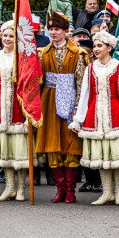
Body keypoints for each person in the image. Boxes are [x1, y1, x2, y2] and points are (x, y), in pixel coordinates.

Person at [68, 30, 119, 205]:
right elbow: (85, 95)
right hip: (95, 116)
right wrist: (79, 119)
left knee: (117, 157)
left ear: (109, 48)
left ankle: (118, 193)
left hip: (115, 115)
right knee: (102, 156)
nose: (95, 49)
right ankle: (107, 192)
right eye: (94, 46)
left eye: (99, 46)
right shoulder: (90, 68)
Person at [35, 11, 88, 203]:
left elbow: (82, 82)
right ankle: (60, 189)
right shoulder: (43, 53)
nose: (53, 32)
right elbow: (37, 81)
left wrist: (77, 107)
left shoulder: (78, 53)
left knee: (70, 143)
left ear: (66, 32)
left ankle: (71, 189)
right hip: (49, 99)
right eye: (51, 29)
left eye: (57, 29)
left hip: (70, 99)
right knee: (52, 144)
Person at [0, 22, 31, 202]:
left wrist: (28, 111)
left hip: (17, 104)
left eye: (11, 36)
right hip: (0, 103)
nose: (8, 39)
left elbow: (29, 85)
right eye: (5, 36)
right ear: (0, 37)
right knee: (6, 149)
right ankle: (9, 187)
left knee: (19, 150)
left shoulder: (23, 56)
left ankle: (21, 189)